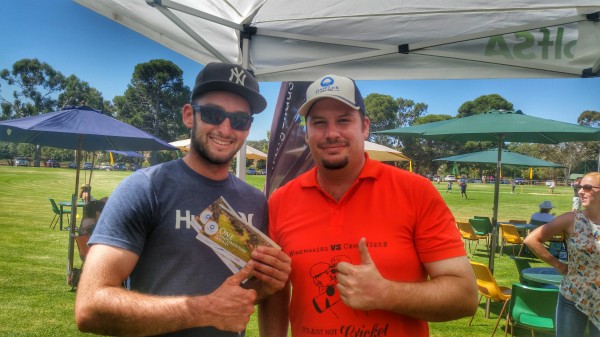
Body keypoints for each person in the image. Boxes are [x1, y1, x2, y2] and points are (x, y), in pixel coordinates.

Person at [75, 62, 292, 337]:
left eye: (239, 120)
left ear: (248, 128)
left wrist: (267, 286)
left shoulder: (254, 201)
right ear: (189, 115)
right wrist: (203, 310)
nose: (226, 129)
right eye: (213, 114)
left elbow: (235, 298)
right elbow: (90, 306)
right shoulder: (146, 188)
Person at [262, 75, 478, 337]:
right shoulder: (281, 201)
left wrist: (386, 293)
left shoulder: (415, 191)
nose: (331, 133)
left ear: (364, 126)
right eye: (319, 123)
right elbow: (274, 291)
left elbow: (465, 296)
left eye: (343, 120)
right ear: (306, 132)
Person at [524, 172, 600, 337]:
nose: (580, 192)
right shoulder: (571, 219)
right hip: (572, 296)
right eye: (580, 187)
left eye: (587, 188)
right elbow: (531, 240)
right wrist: (559, 265)